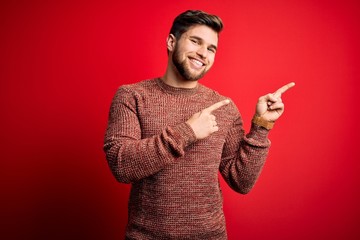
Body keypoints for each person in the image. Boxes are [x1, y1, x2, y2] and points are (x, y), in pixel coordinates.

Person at [104, 9, 295, 240]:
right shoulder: (132, 96)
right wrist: (188, 131)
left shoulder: (223, 106)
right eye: (196, 41)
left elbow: (241, 181)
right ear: (171, 41)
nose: (203, 53)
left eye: (211, 48)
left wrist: (262, 125)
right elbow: (122, 166)